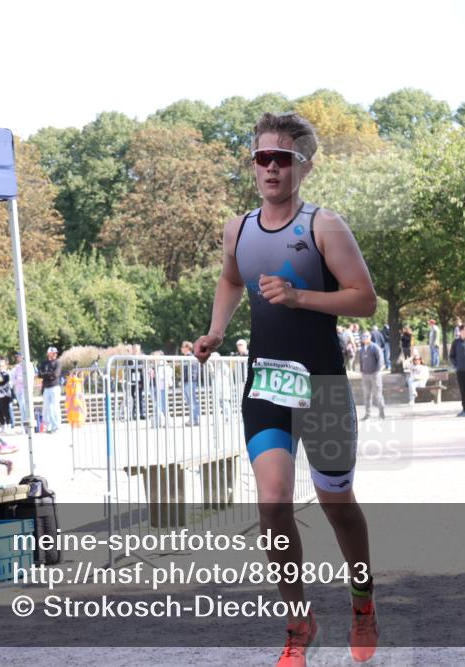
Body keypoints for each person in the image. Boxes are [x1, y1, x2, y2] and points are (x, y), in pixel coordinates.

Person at [191, 111, 379, 665]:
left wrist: (300, 299)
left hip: (321, 385)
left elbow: (364, 299)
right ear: (253, 165)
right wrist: (216, 331)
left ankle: (363, 605)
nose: (271, 168)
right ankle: (299, 624)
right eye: (262, 158)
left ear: (305, 166)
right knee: (272, 503)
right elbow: (231, 279)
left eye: (283, 158)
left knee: (337, 504)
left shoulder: (325, 226)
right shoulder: (238, 229)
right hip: (266, 384)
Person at [359, 332, 386, 420]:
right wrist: (361, 370)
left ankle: (382, 413)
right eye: (363, 336)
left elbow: (380, 360)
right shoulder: (362, 349)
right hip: (365, 374)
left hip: (375, 374)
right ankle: (368, 414)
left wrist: (377, 371)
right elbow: (361, 361)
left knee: (378, 394)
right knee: (366, 395)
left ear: (370, 337)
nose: (364, 338)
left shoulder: (375, 347)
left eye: (366, 336)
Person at [38, 346, 63, 434]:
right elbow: (39, 375)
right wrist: (49, 374)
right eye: (53, 353)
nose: (55, 354)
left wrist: (46, 374)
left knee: (55, 407)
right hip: (46, 387)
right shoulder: (44, 363)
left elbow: (55, 374)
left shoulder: (58, 363)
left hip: (54, 387)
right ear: (49, 354)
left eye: (55, 353)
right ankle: (48, 425)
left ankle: (56, 425)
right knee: (47, 408)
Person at [180, 341, 201, 426]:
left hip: (190, 381)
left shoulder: (191, 357)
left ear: (187, 348)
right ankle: (193, 419)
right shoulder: (186, 357)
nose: (181, 349)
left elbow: (193, 371)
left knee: (192, 402)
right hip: (187, 381)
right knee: (190, 402)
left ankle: (194, 419)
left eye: (182, 347)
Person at [0, 358, 14, 433]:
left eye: (2, 366)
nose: (0, 367)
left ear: (5, 366)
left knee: (6, 411)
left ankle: (9, 425)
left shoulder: (7, 374)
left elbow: (5, 383)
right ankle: (2, 426)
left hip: (5, 395)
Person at [128, 344, 147, 420]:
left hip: (139, 380)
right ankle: (133, 413)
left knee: (140, 397)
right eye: (135, 349)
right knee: (132, 397)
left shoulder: (141, 358)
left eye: (137, 350)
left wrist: (140, 383)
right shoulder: (129, 358)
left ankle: (141, 413)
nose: (136, 351)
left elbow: (141, 370)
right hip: (131, 380)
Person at [10, 352, 27, 431]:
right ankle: (23, 426)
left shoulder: (26, 365)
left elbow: (24, 379)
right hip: (18, 390)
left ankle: (25, 426)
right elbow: (13, 379)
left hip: (24, 390)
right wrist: (18, 380)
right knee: (21, 408)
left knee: (24, 408)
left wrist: (18, 379)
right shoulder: (16, 367)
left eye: (18, 357)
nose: (17, 358)